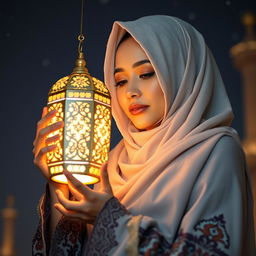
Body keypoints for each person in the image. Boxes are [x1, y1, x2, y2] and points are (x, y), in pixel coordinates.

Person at [32, 15, 256, 255]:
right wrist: (60, 182)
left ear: (181, 72)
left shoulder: (215, 151)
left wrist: (109, 218)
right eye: (120, 81)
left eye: (147, 74)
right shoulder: (111, 165)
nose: (131, 92)